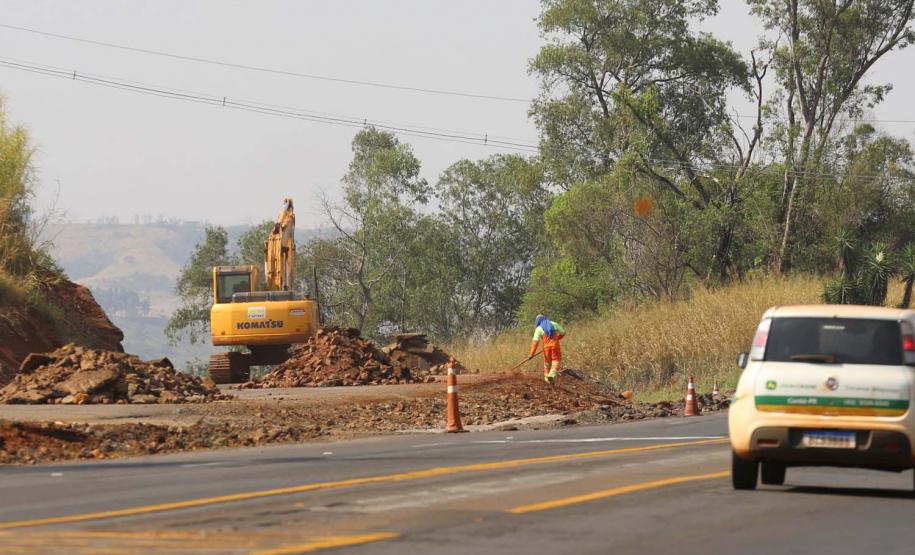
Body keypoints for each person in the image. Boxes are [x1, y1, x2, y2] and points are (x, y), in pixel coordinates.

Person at [529, 314, 566, 383]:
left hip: (546, 348)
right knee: (556, 360)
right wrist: (557, 339)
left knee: (547, 364)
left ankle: (547, 380)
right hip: (555, 346)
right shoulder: (554, 323)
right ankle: (551, 375)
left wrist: (531, 354)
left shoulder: (538, 329)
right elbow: (563, 332)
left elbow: (535, 342)